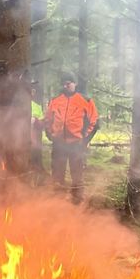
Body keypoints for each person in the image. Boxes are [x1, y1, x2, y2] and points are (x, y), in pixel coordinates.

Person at [45, 72, 99, 203]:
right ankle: (57, 198)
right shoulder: (55, 100)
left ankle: (77, 200)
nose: (66, 86)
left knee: (77, 173)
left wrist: (84, 139)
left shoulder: (85, 100)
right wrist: (51, 135)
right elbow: (48, 120)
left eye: (68, 83)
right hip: (59, 144)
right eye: (64, 84)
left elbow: (94, 122)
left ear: (75, 84)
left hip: (76, 143)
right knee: (57, 172)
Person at [30, 88, 47, 182]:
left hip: (34, 139)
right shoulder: (17, 106)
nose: (31, 93)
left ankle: (37, 179)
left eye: (33, 91)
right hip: (20, 139)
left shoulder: (37, 106)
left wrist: (36, 121)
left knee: (35, 158)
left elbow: (42, 123)